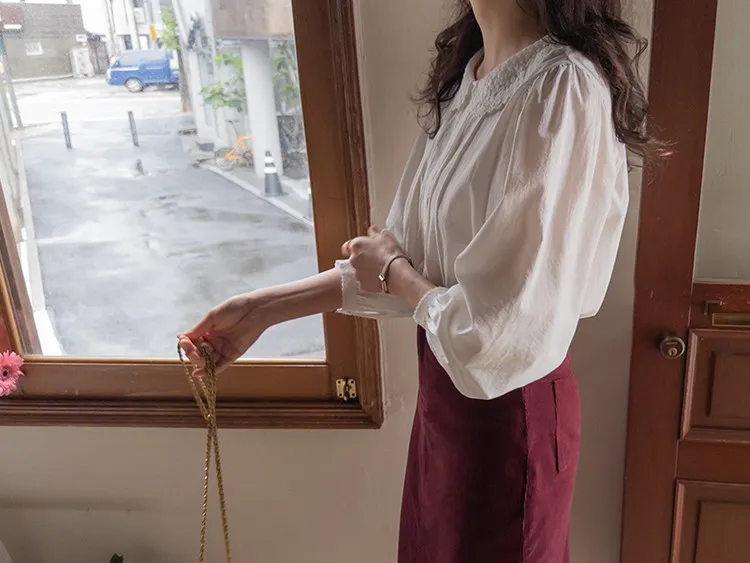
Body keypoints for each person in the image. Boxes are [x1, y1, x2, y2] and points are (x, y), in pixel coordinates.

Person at [179, 0, 662, 561]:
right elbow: (408, 260)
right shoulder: (470, 78)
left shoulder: (562, 87)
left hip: (508, 416)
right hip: (446, 409)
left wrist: (394, 270)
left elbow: (492, 332)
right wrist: (259, 310)